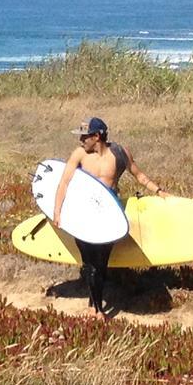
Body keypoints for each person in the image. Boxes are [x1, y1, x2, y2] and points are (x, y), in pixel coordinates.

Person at [53, 117, 169, 319]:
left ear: (97, 136)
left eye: (85, 136)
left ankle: (94, 305)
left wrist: (159, 191)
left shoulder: (119, 153)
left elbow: (139, 176)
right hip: (83, 212)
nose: (81, 140)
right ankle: (96, 309)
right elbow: (64, 182)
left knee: (100, 263)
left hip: (108, 213)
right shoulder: (80, 154)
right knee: (89, 263)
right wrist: (57, 212)